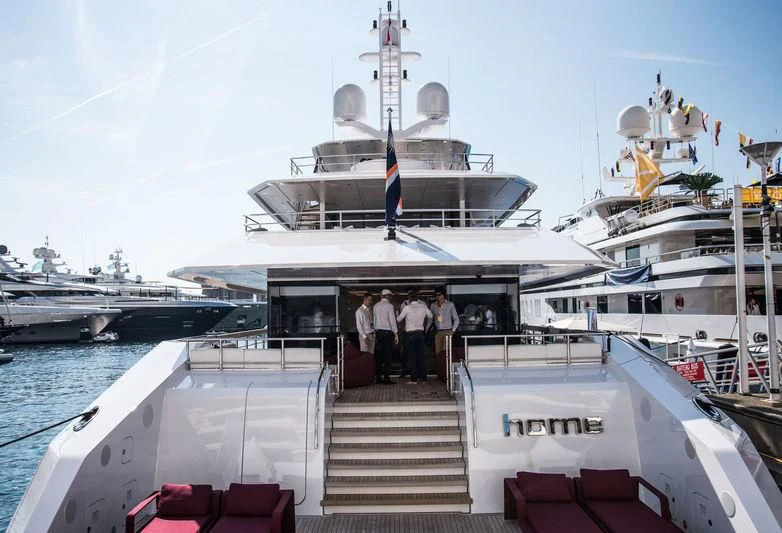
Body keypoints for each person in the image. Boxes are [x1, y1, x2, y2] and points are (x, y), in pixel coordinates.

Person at [397, 289, 432, 384]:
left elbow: (399, 319)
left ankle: (414, 379)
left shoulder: (407, 308)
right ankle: (423, 378)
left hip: (410, 334)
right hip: (420, 333)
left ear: (409, 298)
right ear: (417, 298)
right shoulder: (423, 307)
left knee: (412, 357)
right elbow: (431, 316)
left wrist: (397, 313)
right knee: (421, 356)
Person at [373, 289, 398, 384]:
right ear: (387, 296)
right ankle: (386, 378)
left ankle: (378, 377)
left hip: (379, 333)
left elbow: (374, 320)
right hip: (388, 333)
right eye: (390, 296)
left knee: (379, 356)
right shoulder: (389, 306)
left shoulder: (376, 306)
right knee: (387, 356)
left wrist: (376, 332)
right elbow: (392, 320)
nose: (390, 297)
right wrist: (395, 333)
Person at [430, 288, 459, 355]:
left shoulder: (450, 304)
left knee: (446, 352)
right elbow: (430, 319)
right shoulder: (433, 305)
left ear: (443, 295)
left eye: (439, 294)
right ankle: (439, 365)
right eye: (436, 295)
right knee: (438, 352)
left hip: (448, 331)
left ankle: (446, 365)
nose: (437, 296)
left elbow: (456, 319)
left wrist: (453, 331)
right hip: (438, 331)